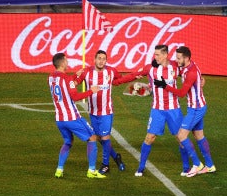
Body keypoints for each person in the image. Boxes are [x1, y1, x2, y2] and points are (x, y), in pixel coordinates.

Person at [74, 50, 140, 175]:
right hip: (93, 112)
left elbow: (119, 80)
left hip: (106, 111)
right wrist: (72, 77)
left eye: (103, 59)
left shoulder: (111, 71)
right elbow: (73, 84)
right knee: (99, 138)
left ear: (106, 60)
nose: (101, 61)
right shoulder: (86, 72)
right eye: (99, 58)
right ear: (94, 59)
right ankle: (116, 157)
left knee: (105, 137)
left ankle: (105, 165)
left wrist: (135, 76)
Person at [154, 46, 216, 177]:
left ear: (186, 58)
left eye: (178, 58)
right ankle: (210, 166)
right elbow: (172, 64)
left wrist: (165, 86)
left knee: (182, 135)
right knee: (199, 135)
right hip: (197, 106)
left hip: (196, 108)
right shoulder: (188, 66)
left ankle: (197, 164)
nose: (176, 60)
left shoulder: (191, 73)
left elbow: (182, 93)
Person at [133, 44, 190, 177]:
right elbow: (136, 76)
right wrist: (119, 80)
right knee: (149, 137)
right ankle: (141, 167)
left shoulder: (176, 66)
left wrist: (201, 79)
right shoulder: (151, 68)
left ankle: (186, 167)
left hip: (173, 109)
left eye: (158, 54)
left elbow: (190, 71)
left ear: (165, 55)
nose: (155, 56)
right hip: (157, 110)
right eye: (155, 54)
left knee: (180, 138)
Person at [48, 52, 105, 179]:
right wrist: (91, 91)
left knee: (68, 141)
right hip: (72, 118)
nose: (68, 62)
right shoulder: (67, 80)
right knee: (92, 138)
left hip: (59, 119)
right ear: (62, 63)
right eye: (66, 60)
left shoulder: (51, 77)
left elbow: (62, 86)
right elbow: (75, 96)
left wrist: (74, 76)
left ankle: (59, 169)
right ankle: (91, 170)